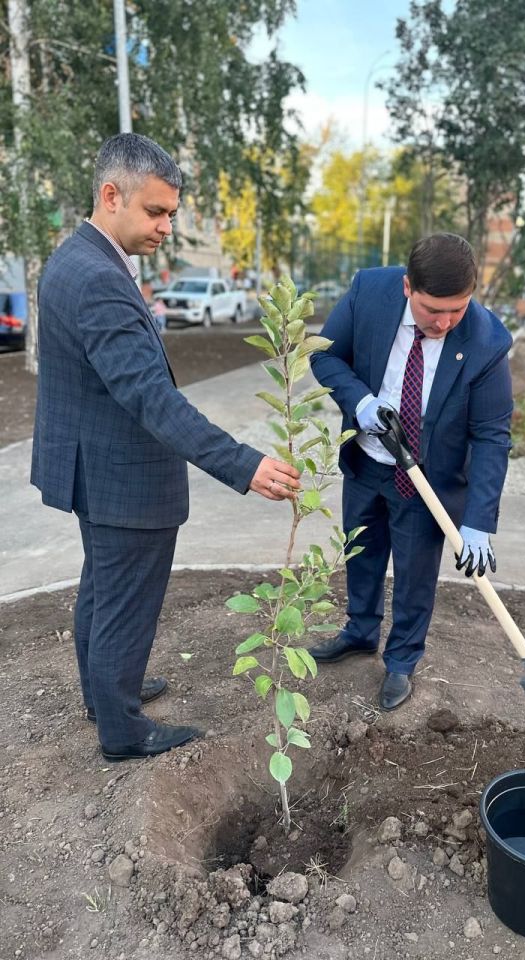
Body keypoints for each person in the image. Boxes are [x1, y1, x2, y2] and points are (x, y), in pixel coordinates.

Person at [31, 133, 300, 762]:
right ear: (111, 194)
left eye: (172, 214)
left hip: (91, 465)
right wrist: (244, 464)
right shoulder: (97, 277)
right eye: (156, 212)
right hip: (121, 477)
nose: (166, 227)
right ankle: (122, 730)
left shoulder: (76, 257)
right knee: (124, 600)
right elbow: (152, 398)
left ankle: (105, 691)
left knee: (101, 588)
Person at [308, 233, 513, 710]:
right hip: (368, 459)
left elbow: (491, 435)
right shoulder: (368, 293)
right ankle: (359, 631)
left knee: (416, 573)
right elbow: (324, 354)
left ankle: (401, 660)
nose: (443, 323)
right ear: (407, 288)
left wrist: (479, 522)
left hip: (428, 480)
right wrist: (359, 402)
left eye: (456, 310)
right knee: (360, 551)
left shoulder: (487, 341)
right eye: (430, 310)